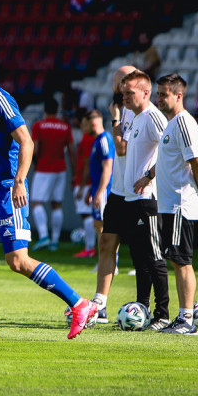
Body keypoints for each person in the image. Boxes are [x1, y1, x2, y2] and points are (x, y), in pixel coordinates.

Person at [0, 46, 95, 339]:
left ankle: (79, 303)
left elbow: (27, 141)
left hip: (7, 192)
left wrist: (20, 180)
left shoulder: (0, 99)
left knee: (18, 261)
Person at [142, 74, 198, 335]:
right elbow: (169, 162)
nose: (158, 99)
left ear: (178, 95)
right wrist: (148, 176)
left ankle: (186, 320)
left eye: (163, 94)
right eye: (158, 94)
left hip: (180, 204)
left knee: (182, 261)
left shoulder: (183, 123)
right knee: (176, 259)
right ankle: (184, 318)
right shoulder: (173, 124)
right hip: (171, 205)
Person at [120, 69, 171, 330]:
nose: (125, 97)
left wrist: (149, 176)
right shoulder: (136, 118)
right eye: (123, 93)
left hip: (148, 198)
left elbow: (170, 148)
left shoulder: (153, 117)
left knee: (154, 255)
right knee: (139, 258)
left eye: (130, 92)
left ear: (146, 92)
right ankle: (142, 308)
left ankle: (162, 314)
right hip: (132, 199)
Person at [93, 65, 137, 325]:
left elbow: (121, 149)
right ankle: (100, 303)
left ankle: (150, 305)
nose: (115, 87)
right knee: (106, 243)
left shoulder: (142, 115)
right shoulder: (120, 112)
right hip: (118, 192)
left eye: (119, 82)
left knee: (145, 254)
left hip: (142, 193)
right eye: (115, 83)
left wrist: (116, 118)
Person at [29, 99, 76, 252]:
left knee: (37, 203)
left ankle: (43, 236)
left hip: (43, 168)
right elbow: (71, 150)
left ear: (45, 110)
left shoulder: (38, 126)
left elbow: (34, 149)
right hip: (60, 169)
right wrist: (74, 172)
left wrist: (34, 164)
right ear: (57, 110)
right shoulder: (65, 127)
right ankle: (55, 241)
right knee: (56, 204)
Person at [83, 111, 115, 266]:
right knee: (99, 225)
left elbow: (108, 167)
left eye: (85, 123)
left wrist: (100, 192)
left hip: (105, 190)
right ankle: (105, 261)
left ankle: (108, 262)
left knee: (103, 226)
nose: (83, 128)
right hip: (98, 189)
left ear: (92, 123)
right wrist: (92, 190)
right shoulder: (98, 140)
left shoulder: (104, 139)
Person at [72, 111, 98, 259]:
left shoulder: (88, 139)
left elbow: (88, 164)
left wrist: (82, 187)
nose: (81, 125)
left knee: (87, 214)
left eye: (82, 122)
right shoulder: (85, 138)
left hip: (86, 183)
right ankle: (89, 247)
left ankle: (90, 248)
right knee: (86, 214)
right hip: (83, 181)